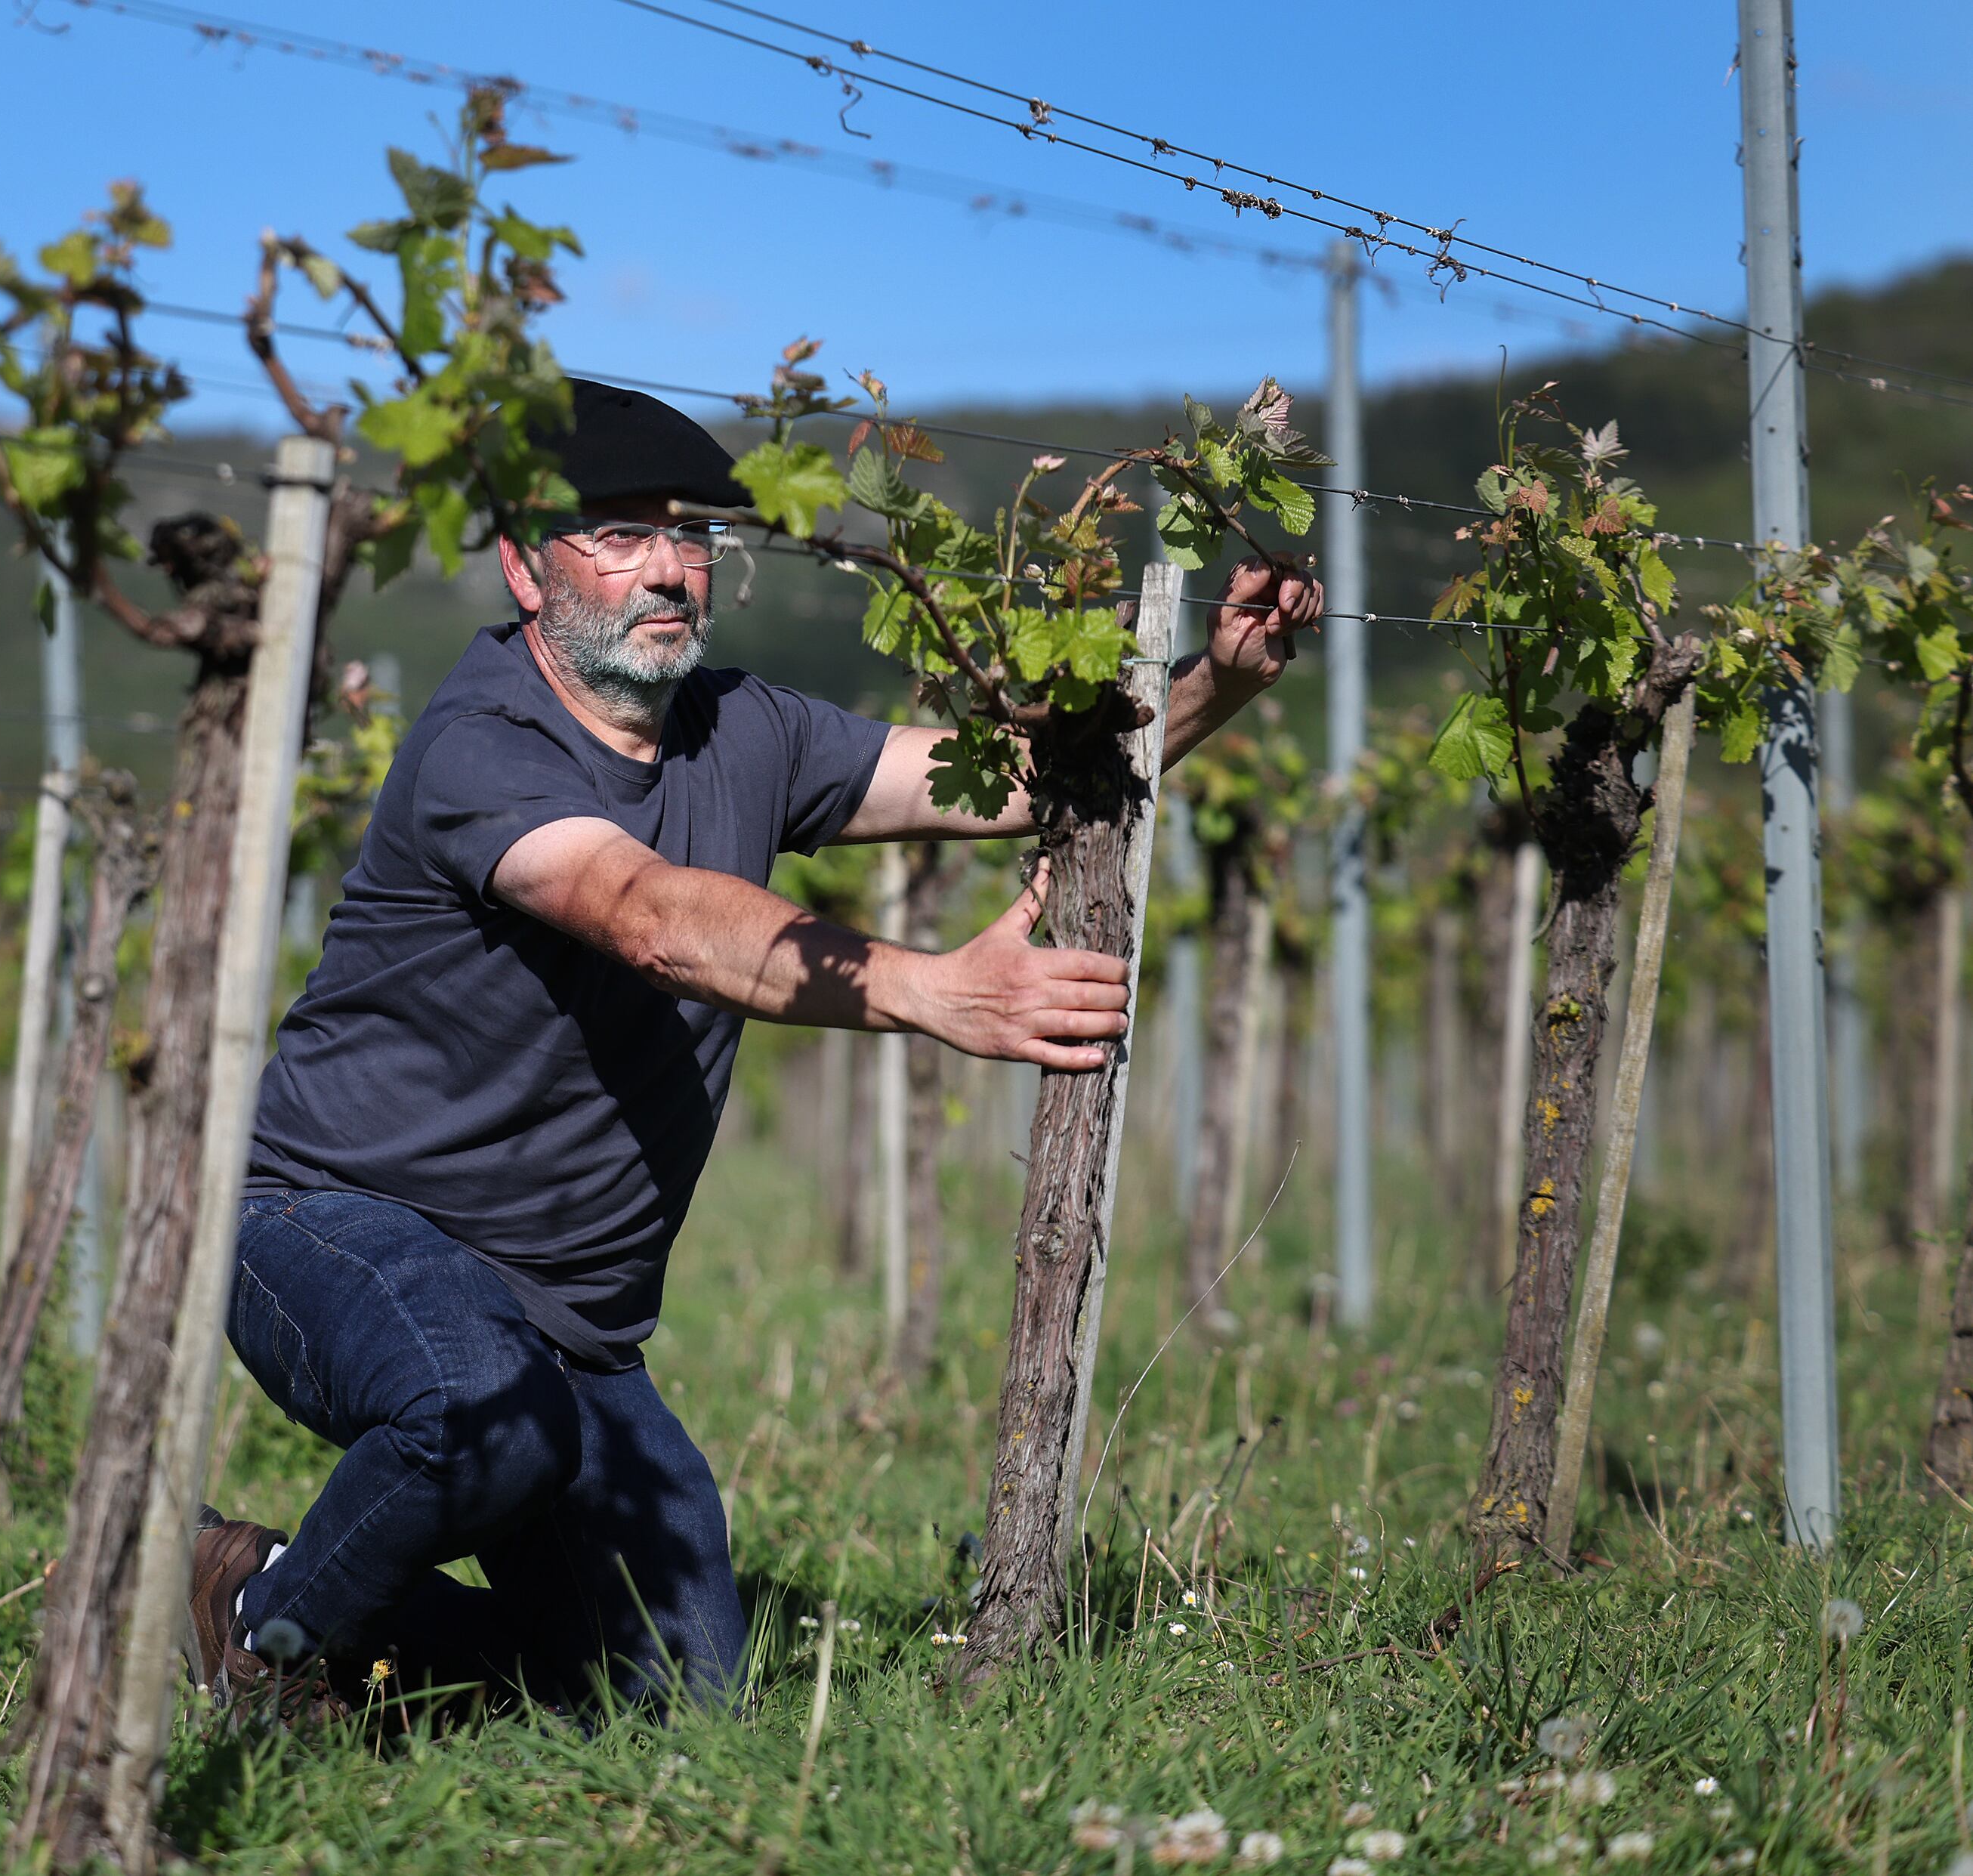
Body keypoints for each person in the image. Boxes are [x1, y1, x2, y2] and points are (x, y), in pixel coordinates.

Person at [186, 379, 1318, 1714]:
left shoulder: (747, 730)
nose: (668, 569)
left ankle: (276, 1581)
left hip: (574, 1325)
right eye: (617, 536)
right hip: (332, 1224)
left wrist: (1213, 687)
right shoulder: (479, 744)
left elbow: (1005, 776)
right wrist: (933, 992)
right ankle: (248, 1635)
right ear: (522, 564)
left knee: (674, 1696)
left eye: (691, 537)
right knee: (473, 1409)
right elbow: (651, 916)